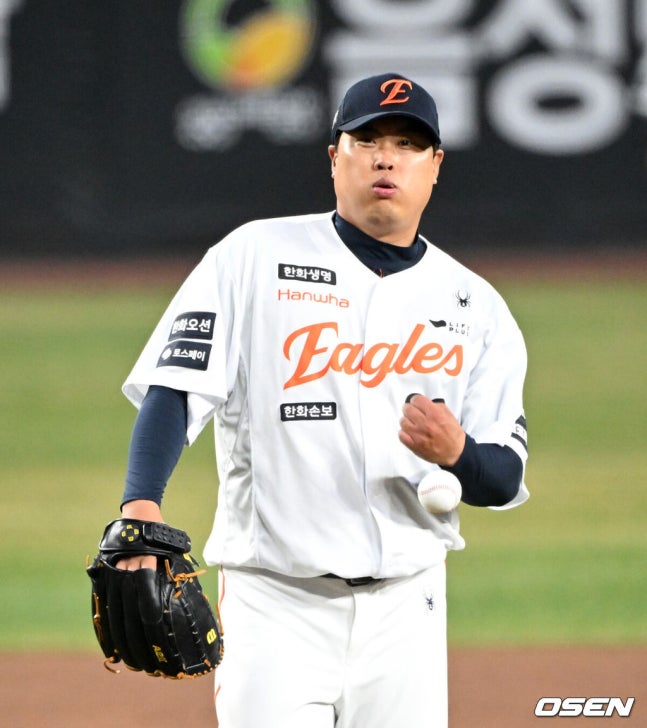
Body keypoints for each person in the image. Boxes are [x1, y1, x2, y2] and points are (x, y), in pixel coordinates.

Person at [116, 72, 529, 727]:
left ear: (434, 166)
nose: (386, 158)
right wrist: (141, 501)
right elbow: (176, 386)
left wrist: (459, 453)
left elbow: (503, 479)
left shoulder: (475, 305)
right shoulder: (252, 257)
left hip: (409, 611)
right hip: (274, 605)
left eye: (407, 144)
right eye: (368, 140)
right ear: (335, 157)